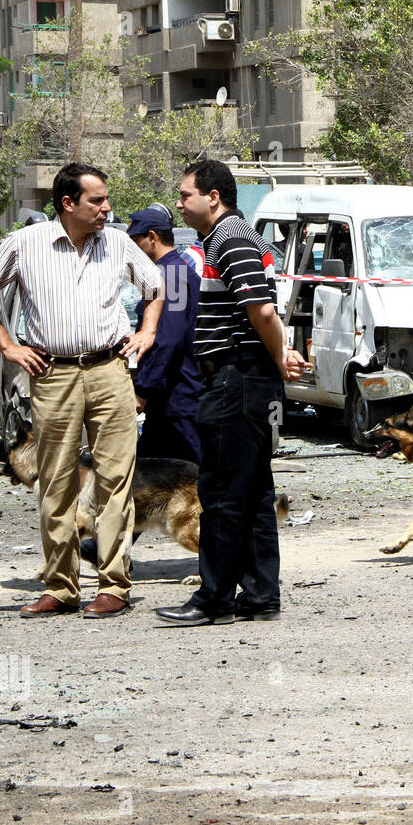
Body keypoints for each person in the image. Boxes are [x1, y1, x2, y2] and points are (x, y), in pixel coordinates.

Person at [0, 162, 162, 617]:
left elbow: (155, 287)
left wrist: (147, 333)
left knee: (117, 480)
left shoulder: (116, 243)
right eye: (97, 200)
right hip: (51, 374)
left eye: (106, 198)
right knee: (56, 480)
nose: (107, 208)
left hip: (110, 370)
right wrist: (8, 345)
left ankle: (114, 585)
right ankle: (61, 586)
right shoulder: (25, 243)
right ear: (68, 204)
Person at [156, 159, 306, 626]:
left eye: (185, 195)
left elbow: (261, 311)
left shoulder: (231, 238)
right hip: (245, 378)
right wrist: (279, 355)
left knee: (220, 491)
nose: (179, 204)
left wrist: (280, 355)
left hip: (236, 379)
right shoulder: (230, 238)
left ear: (212, 197)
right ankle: (260, 596)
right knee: (254, 490)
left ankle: (214, 599)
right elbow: (262, 312)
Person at [126, 207, 203, 462]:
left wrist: (143, 389)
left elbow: (168, 338)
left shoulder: (173, 274)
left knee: (194, 476)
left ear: (151, 237)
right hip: (168, 397)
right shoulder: (169, 272)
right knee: (150, 474)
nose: (132, 251)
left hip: (178, 396)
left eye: (134, 242)